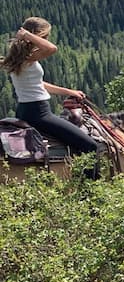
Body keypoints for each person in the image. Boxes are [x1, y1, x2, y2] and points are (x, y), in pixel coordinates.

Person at [2, 16, 101, 168]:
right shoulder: (29, 57)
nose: (47, 38)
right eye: (45, 36)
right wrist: (27, 35)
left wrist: (69, 91)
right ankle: (87, 189)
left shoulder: (17, 57)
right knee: (91, 146)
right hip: (39, 113)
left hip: (24, 111)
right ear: (37, 35)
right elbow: (52, 48)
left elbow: (38, 84)